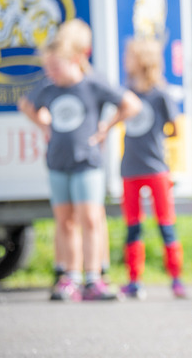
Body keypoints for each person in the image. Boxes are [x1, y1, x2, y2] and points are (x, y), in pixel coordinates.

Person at [18, 18, 141, 302]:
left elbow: (131, 104)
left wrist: (106, 128)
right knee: (65, 221)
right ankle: (69, 278)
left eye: (55, 67)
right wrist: (43, 125)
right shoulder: (48, 88)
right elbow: (26, 105)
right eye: (47, 68)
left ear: (74, 60)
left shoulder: (92, 84)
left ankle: (94, 278)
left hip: (87, 162)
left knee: (90, 218)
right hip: (58, 162)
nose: (51, 73)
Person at [119, 37, 186, 300]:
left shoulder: (160, 94)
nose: (125, 61)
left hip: (157, 168)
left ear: (142, 61)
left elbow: (175, 127)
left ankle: (176, 278)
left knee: (165, 224)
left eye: (129, 56)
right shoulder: (125, 93)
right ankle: (134, 280)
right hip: (130, 168)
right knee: (133, 226)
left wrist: (157, 140)